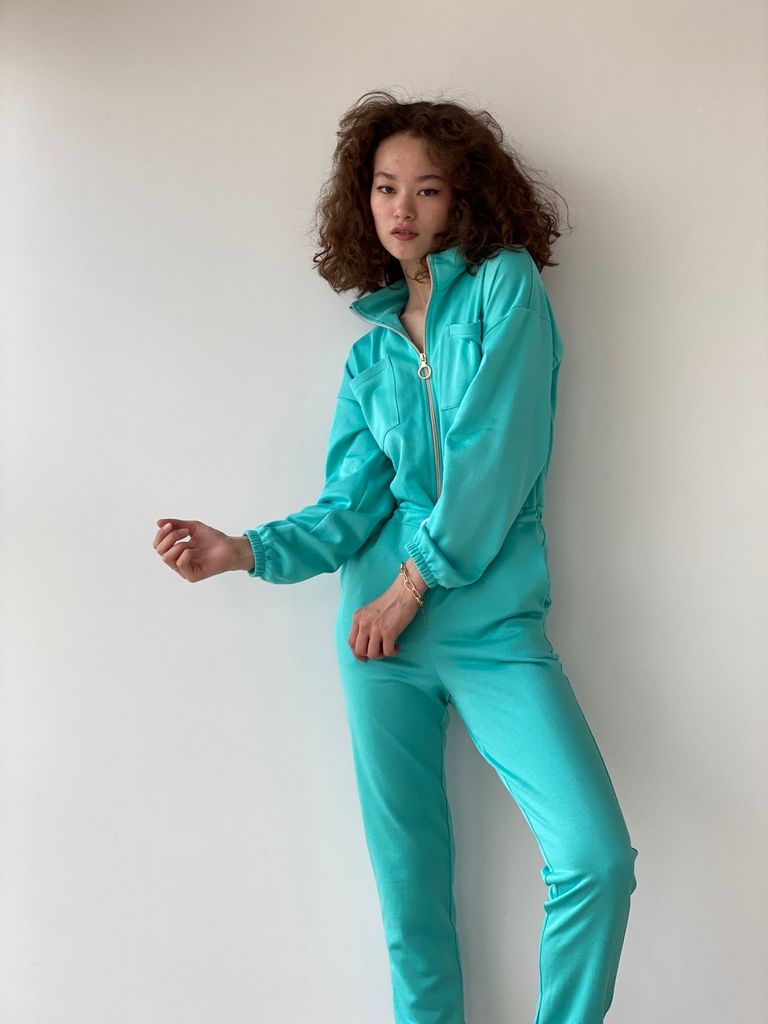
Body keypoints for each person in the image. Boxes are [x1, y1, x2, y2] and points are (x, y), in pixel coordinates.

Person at [153, 90, 638, 1024]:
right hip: (377, 640)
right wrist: (242, 550)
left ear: (464, 199)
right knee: (410, 901)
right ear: (363, 200)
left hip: (486, 624)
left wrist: (415, 583)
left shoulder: (505, 288)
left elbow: (498, 454)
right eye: (384, 187)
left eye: (427, 188)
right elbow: (348, 508)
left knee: (594, 859)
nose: (402, 208)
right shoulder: (369, 357)